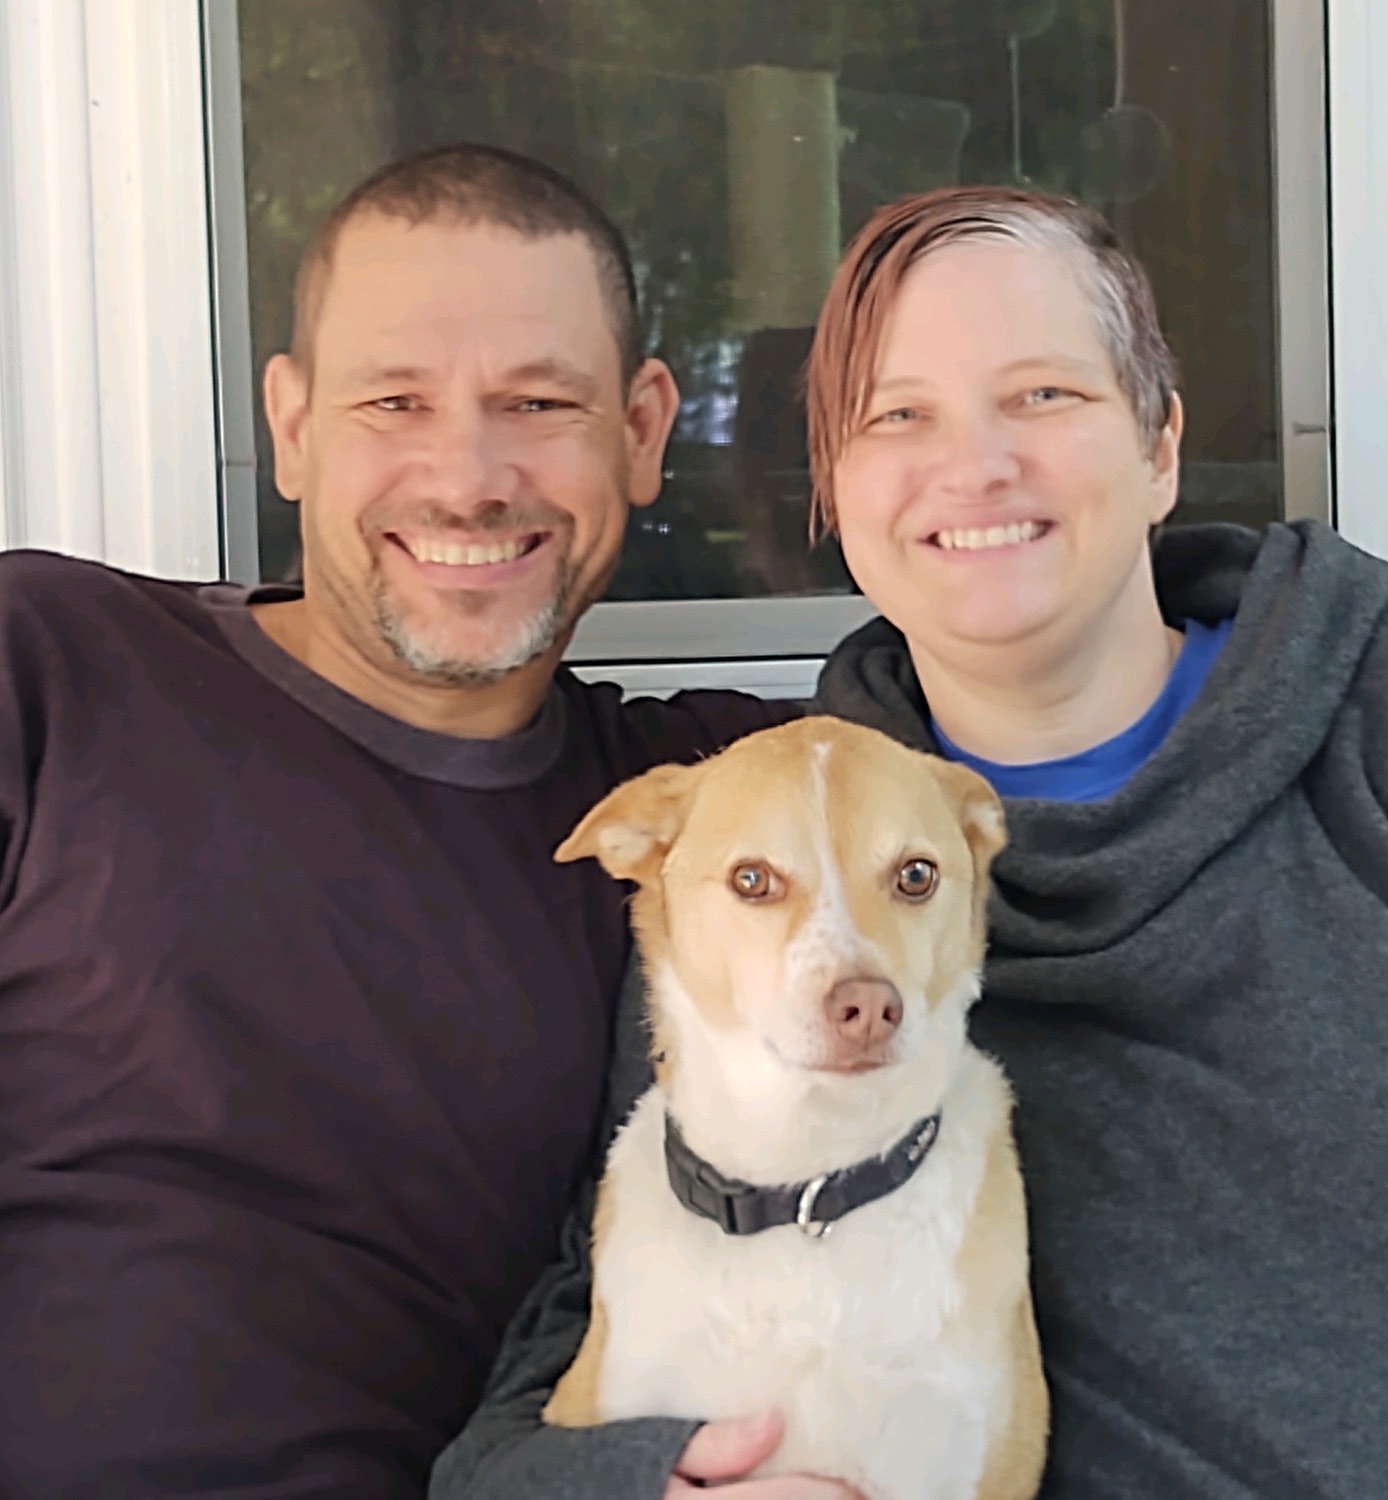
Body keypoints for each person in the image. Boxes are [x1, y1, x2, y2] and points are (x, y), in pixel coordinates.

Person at [434, 185, 1388, 1499]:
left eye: (1043, 395)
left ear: (1160, 445)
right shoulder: (755, 851)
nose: (976, 465)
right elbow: (568, 1354)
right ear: (834, 488)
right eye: (898, 416)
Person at [0, 142, 809, 1499]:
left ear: (646, 429)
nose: (468, 478)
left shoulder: (706, 813)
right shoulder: (54, 670)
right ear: (295, 426)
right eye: (394, 400)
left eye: (537, 401)